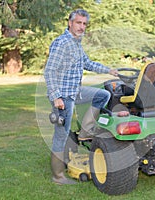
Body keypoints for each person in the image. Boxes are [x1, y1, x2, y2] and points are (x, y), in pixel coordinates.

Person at [44, 9, 119, 185]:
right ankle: (58, 177)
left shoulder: (77, 43)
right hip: (63, 97)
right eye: (78, 23)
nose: (82, 27)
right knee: (61, 135)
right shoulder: (62, 43)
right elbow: (50, 71)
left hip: (75, 91)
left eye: (84, 24)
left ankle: (85, 132)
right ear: (70, 23)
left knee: (103, 95)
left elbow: (88, 63)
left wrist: (108, 70)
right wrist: (56, 97)